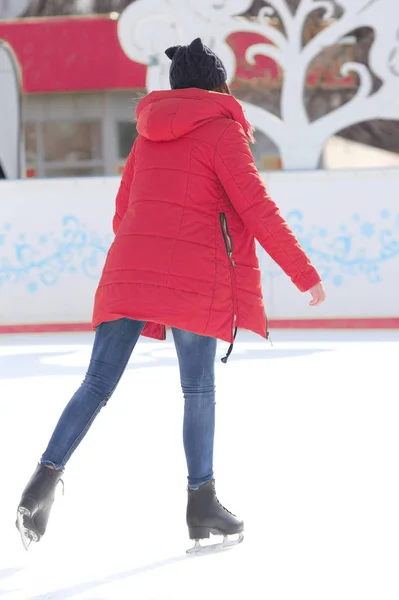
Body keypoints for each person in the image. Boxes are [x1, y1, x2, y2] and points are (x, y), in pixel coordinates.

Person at [16, 37, 326, 553]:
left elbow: (123, 211)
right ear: (218, 84)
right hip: (192, 277)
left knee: (96, 383)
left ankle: (42, 481)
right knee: (197, 390)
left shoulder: (145, 133)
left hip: (129, 269)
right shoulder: (223, 132)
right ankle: (201, 502)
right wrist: (303, 272)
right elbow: (256, 206)